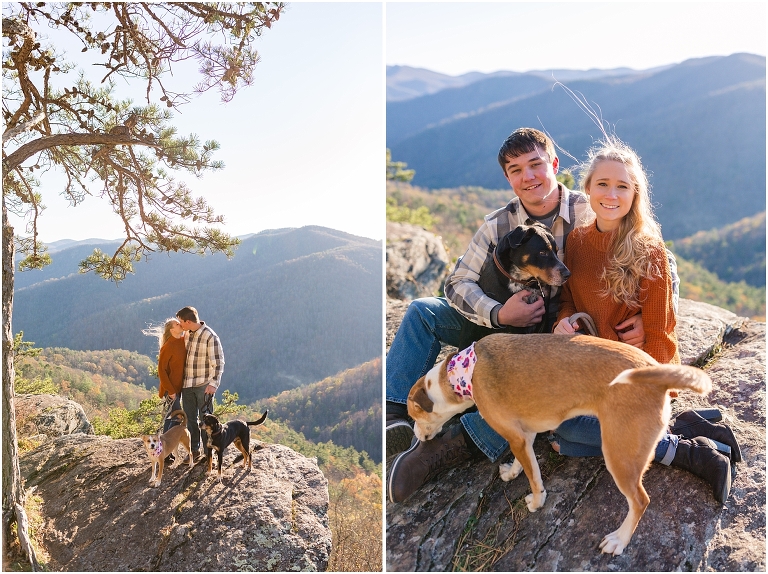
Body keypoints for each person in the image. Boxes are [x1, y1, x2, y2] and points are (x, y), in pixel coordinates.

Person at [386, 128, 679, 504]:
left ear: (554, 165)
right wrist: (498, 313)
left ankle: (455, 444)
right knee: (422, 311)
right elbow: (457, 283)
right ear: (508, 178)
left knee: (514, 390)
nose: (528, 177)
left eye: (536, 164)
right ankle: (397, 416)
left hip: (549, 335)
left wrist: (644, 315)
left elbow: (659, 258)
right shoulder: (498, 224)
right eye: (515, 169)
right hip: (501, 318)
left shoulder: (593, 206)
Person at [549, 137, 739, 503]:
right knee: (562, 436)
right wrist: (566, 319)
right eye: (602, 183)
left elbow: (660, 333)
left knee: (566, 432)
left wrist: (658, 397)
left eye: (623, 186)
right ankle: (686, 427)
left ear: (635, 194)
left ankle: (690, 453)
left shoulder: (647, 250)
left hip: (636, 378)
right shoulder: (576, 243)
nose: (611, 194)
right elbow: (570, 298)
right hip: (595, 373)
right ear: (587, 188)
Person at [176, 306, 225, 461]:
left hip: (204, 385)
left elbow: (218, 363)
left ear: (188, 321)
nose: (180, 325)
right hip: (187, 384)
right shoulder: (187, 334)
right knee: (190, 419)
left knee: (206, 420)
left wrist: (213, 384)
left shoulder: (210, 336)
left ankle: (208, 452)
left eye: (181, 322)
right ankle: (194, 451)